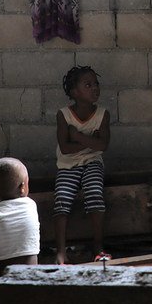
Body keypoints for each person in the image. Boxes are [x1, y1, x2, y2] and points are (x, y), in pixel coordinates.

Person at [54, 65, 110, 264]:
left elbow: (102, 146)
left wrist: (76, 136)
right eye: (88, 85)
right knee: (62, 198)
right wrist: (89, 141)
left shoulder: (103, 114)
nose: (95, 88)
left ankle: (98, 246)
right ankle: (61, 250)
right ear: (74, 92)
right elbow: (65, 148)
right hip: (67, 165)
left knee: (95, 192)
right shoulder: (63, 115)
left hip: (93, 162)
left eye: (96, 83)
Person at [0, 157, 40, 283]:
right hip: (31, 267)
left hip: (4, 268)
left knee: (3, 298)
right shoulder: (31, 205)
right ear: (22, 186)